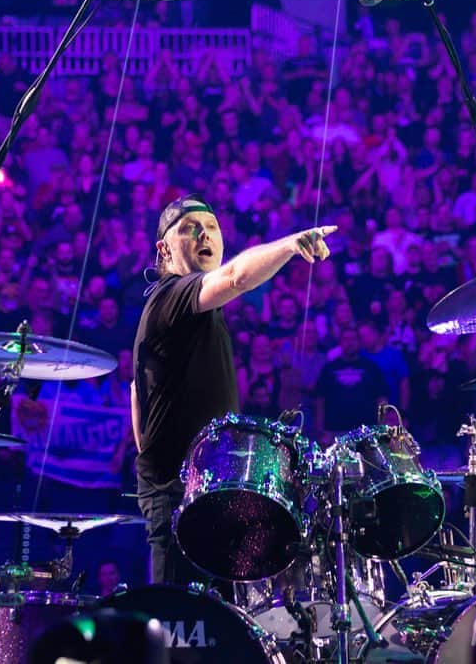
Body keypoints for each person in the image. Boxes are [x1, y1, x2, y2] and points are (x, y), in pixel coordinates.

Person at [131, 194, 335, 585]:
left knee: (213, 629)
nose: (204, 235)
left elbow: (135, 391)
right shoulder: (172, 295)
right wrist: (291, 245)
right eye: (190, 229)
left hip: (204, 491)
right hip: (181, 496)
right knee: (181, 629)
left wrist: (152, 463)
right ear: (164, 248)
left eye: (211, 228)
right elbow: (236, 278)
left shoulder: (190, 311)